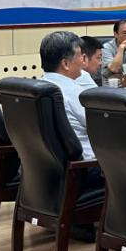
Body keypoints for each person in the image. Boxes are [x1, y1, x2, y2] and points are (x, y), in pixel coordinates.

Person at [41, 31, 96, 161]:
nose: (83, 61)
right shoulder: (74, 93)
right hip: (88, 165)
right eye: (80, 56)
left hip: (48, 166)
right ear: (65, 64)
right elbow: (103, 127)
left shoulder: (39, 87)